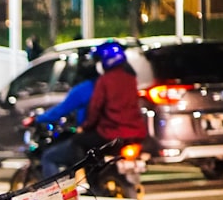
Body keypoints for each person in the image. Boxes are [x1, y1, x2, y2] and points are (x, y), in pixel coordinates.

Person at [42, 41, 146, 176]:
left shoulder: (104, 81)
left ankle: (82, 178)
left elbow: (95, 108)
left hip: (112, 133)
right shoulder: (131, 79)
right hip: (136, 133)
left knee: (77, 142)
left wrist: (85, 127)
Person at [34, 52, 99, 176]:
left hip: (92, 135)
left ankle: (54, 194)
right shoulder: (106, 85)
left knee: (49, 157)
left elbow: (60, 110)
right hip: (115, 135)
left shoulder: (83, 89)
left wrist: (39, 119)